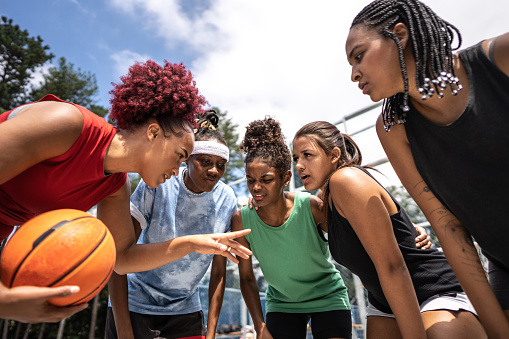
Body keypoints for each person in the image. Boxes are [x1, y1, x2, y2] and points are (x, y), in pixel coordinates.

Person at [0, 60, 250, 323]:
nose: (178, 170)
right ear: (153, 133)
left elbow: (121, 259)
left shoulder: (115, 187)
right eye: (180, 156)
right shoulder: (68, 123)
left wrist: (191, 244)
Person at [345, 0, 509, 336]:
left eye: (359, 55)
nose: (353, 74)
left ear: (400, 34)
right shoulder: (393, 129)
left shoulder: (500, 59)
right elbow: (448, 228)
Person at [292, 121, 486, 339]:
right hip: (384, 303)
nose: (299, 165)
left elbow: (393, 266)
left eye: (307, 155)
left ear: (334, 155)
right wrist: (256, 202)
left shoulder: (346, 180)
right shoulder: (325, 201)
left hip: (433, 289)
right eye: (296, 158)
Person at [105, 111, 237, 339]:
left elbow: (218, 272)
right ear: (187, 159)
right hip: (136, 305)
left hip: (185, 310)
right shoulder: (158, 182)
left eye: (221, 165)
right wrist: (125, 332)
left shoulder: (227, 199)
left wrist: (212, 333)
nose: (215, 171)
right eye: (205, 162)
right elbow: (117, 256)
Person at [233, 117, 353, 339]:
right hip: (282, 304)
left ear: (286, 178)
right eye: (250, 180)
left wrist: (405, 229)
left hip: (328, 298)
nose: (256, 187)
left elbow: (355, 231)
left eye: (266, 179)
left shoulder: (311, 207)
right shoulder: (242, 220)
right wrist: (259, 327)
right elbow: (247, 279)